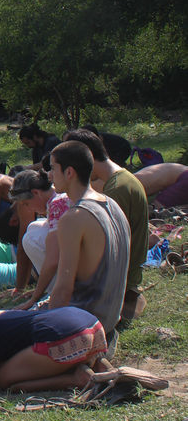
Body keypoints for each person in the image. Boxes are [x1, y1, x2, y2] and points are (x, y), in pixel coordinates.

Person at [29, 139, 130, 341]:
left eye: (54, 169)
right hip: (111, 316)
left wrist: (44, 331)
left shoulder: (73, 218)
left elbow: (64, 289)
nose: (50, 175)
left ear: (69, 173)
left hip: (86, 323)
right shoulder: (111, 204)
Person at [64, 129, 149, 323]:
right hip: (129, 275)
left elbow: (108, 252)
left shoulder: (117, 191)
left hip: (122, 282)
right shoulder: (122, 180)